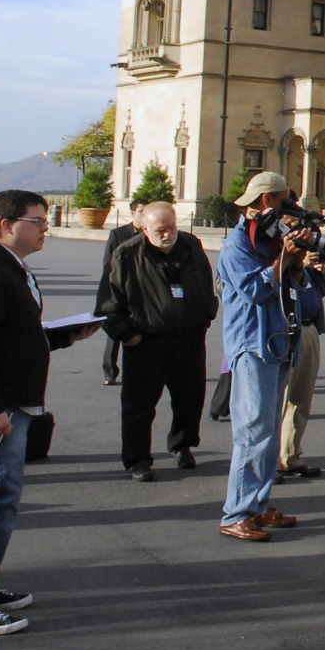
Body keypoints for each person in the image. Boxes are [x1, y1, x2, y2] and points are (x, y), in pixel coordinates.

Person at [0, 189, 98, 635]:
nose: (46, 228)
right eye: (38, 221)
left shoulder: (10, 267)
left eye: (47, 221)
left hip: (4, 403)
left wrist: (65, 336)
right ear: (7, 225)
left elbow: (11, 335)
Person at [215, 172, 310, 542]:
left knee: (268, 433)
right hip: (252, 344)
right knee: (253, 432)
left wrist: (296, 261)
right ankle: (237, 513)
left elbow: (297, 285)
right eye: (285, 201)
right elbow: (254, 290)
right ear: (267, 200)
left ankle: (258, 503)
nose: (290, 208)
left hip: (278, 341)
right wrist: (282, 260)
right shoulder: (238, 244)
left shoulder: (270, 238)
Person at [98, 203, 217, 481]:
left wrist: (205, 316)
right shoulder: (127, 254)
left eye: (171, 227)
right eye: (160, 230)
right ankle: (138, 460)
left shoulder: (191, 246)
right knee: (139, 406)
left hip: (189, 339)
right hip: (146, 343)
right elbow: (108, 304)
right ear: (144, 228)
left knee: (190, 399)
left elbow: (205, 283)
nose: (167, 234)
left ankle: (182, 445)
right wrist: (129, 336)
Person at [277, 225, 325, 481]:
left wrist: (321, 269)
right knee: (281, 400)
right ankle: (270, 460)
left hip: (310, 329)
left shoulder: (307, 262)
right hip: (285, 331)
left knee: (301, 398)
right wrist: (293, 262)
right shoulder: (279, 259)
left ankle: (290, 456)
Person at [97, 198, 149, 384]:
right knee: (117, 331)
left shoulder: (151, 233)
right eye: (141, 211)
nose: (144, 214)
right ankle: (109, 371)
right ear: (133, 213)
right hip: (122, 289)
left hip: (143, 292)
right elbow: (108, 264)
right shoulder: (118, 234)